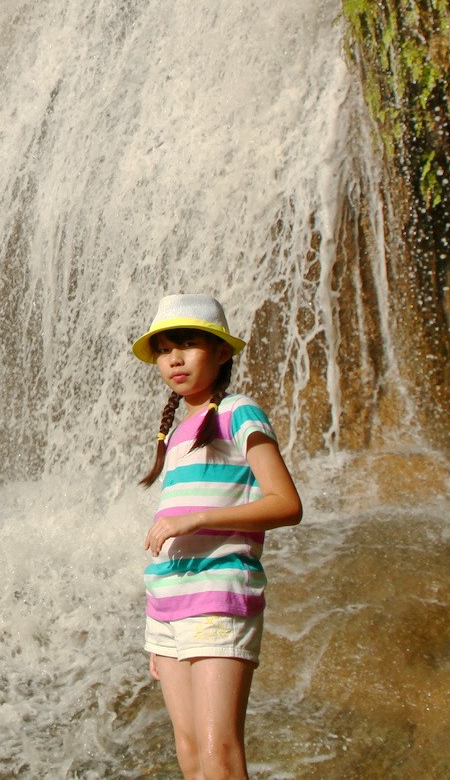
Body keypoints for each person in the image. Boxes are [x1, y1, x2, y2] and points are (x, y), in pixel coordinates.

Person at [134, 293, 302, 780]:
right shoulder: (178, 431)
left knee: (219, 753)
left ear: (223, 353)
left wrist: (197, 520)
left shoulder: (239, 411)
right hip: (169, 605)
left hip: (218, 596)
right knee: (189, 752)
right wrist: (158, 628)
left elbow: (287, 504)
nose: (174, 359)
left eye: (188, 344)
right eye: (164, 350)